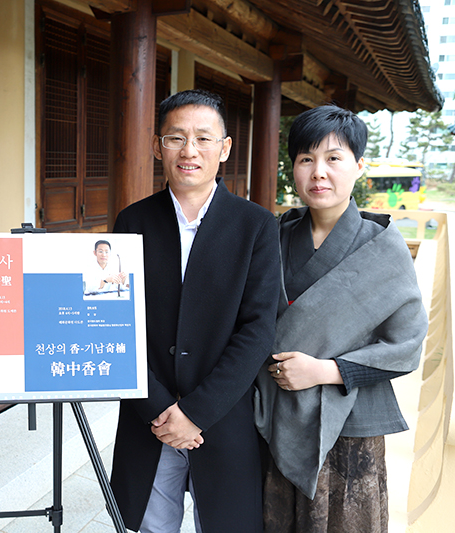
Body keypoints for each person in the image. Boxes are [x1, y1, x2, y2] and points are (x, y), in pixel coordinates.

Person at [110, 89, 282, 532]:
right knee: (151, 525)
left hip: (221, 415)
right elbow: (114, 321)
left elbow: (258, 329)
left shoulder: (256, 225)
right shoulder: (132, 222)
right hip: (150, 416)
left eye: (204, 139)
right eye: (176, 138)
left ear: (224, 148)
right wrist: (158, 407)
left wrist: (196, 413)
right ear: (157, 146)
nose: (190, 151)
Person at [254, 105, 427, 532]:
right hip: (275, 411)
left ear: (358, 166)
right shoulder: (273, 235)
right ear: (292, 168)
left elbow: (406, 345)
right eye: (306, 159)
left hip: (350, 423)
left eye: (334, 158)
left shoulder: (381, 246)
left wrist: (325, 370)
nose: (319, 172)